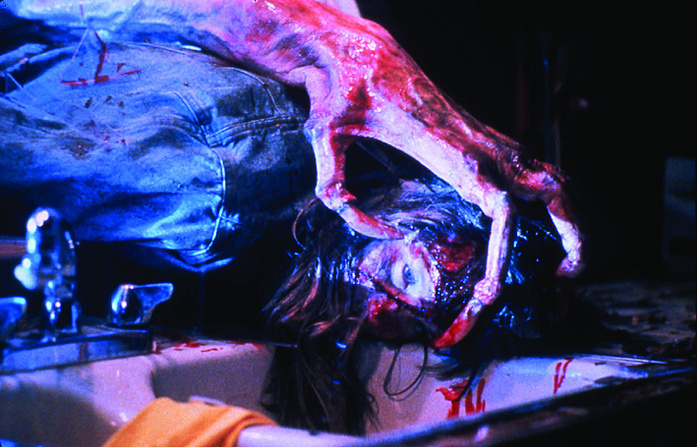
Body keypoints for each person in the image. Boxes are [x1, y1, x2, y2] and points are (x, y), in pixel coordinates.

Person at [1, 0, 585, 434]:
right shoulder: (225, 187)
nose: (377, 316)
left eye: (413, 331)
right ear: (419, 197)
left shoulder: (293, 197)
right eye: (405, 276)